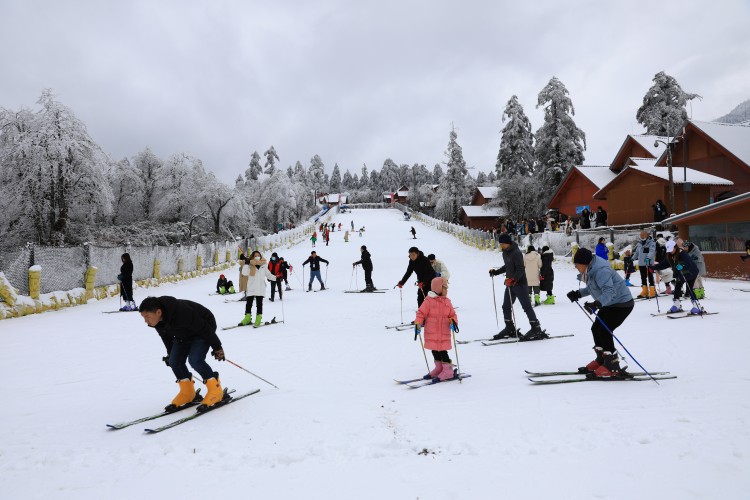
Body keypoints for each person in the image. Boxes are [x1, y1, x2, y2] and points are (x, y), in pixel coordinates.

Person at [139, 296, 226, 411]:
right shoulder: (157, 321)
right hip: (182, 333)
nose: (146, 321)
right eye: (144, 318)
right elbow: (166, 337)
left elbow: (204, 328)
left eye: (147, 317)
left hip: (203, 329)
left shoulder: (181, 312)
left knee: (195, 360)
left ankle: (216, 391)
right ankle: (188, 393)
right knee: (174, 361)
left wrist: (217, 347)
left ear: (158, 312)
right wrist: (170, 354)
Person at [566, 248, 634, 378]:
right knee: (596, 328)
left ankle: (612, 365)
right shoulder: (591, 268)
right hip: (609, 303)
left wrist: (597, 304)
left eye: (577, 264)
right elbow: (593, 287)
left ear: (585, 263)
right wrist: (578, 293)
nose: (575, 267)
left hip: (622, 303)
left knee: (604, 330)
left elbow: (609, 291)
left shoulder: (600, 270)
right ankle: (602, 360)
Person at [489, 234, 546, 340]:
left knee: (526, 307)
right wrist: (496, 272)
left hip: (519, 284)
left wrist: (513, 279)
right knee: (506, 306)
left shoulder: (516, 253)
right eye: (500, 244)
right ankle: (509, 327)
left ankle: (535, 327)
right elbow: (507, 266)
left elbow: (520, 269)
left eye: (503, 244)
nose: (501, 246)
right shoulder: (505, 253)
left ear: (508, 243)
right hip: (510, 284)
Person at [414, 277, 459, 382]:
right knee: (434, 350)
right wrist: (418, 324)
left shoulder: (447, 302)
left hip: (444, 333)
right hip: (432, 332)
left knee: (443, 352)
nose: (447, 290)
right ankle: (439, 368)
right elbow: (420, 313)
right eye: (445, 288)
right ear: (438, 288)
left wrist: (453, 322)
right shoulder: (428, 301)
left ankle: (448, 371)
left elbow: (452, 314)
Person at [653, 240, 701, 314]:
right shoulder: (670, 256)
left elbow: (689, 263)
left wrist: (682, 265)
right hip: (681, 274)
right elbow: (664, 264)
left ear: (675, 247)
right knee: (677, 288)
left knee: (689, 289)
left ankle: (696, 306)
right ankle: (676, 305)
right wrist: (653, 267)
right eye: (669, 250)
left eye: (671, 249)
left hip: (691, 273)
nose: (670, 251)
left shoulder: (683, 254)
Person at [239, 251, 276, 327]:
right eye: (255, 255)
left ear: (261, 256)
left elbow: (268, 274)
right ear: (252, 256)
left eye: (258, 255)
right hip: (251, 286)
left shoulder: (264, 264)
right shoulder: (249, 264)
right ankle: (247, 318)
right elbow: (244, 273)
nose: (257, 256)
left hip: (260, 287)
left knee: (259, 304)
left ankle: (258, 319)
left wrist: (276, 278)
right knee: (249, 304)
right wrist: (246, 263)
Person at [632, 231, 656, 298]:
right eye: (641, 235)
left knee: (650, 277)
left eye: (643, 235)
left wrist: (648, 258)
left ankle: (652, 291)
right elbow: (637, 252)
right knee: (643, 277)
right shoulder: (639, 243)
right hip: (641, 263)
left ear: (647, 235)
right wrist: (632, 258)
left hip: (648, 263)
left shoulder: (651, 243)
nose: (642, 236)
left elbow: (652, 251)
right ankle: (645, 290)